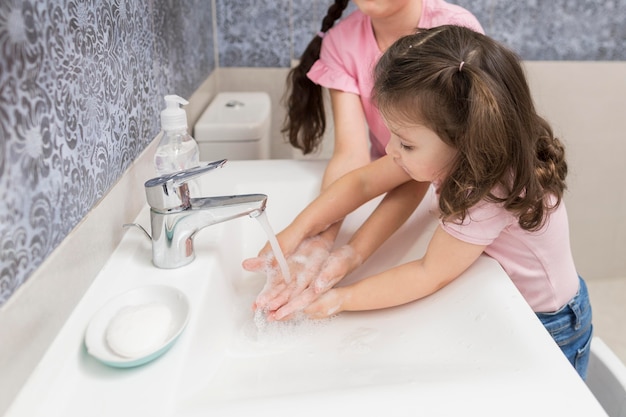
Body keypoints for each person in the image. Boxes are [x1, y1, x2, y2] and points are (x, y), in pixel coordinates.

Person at [248, 25, 593, 379]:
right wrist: (296, 231)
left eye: (406, 144)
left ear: (465, 140)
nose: (391, 151)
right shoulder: (464, 151)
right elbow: (364, 181)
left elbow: (427, 273)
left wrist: (338, 300)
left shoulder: (490, 194)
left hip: (550, 322)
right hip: (525, 301)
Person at [245, 0, 485, 315]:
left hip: (441, 184)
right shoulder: (342, 42)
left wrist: (353, 254)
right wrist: (320, 238)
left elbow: (430, 167)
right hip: (401, 170)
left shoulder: (454, 34)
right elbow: (353, 158)